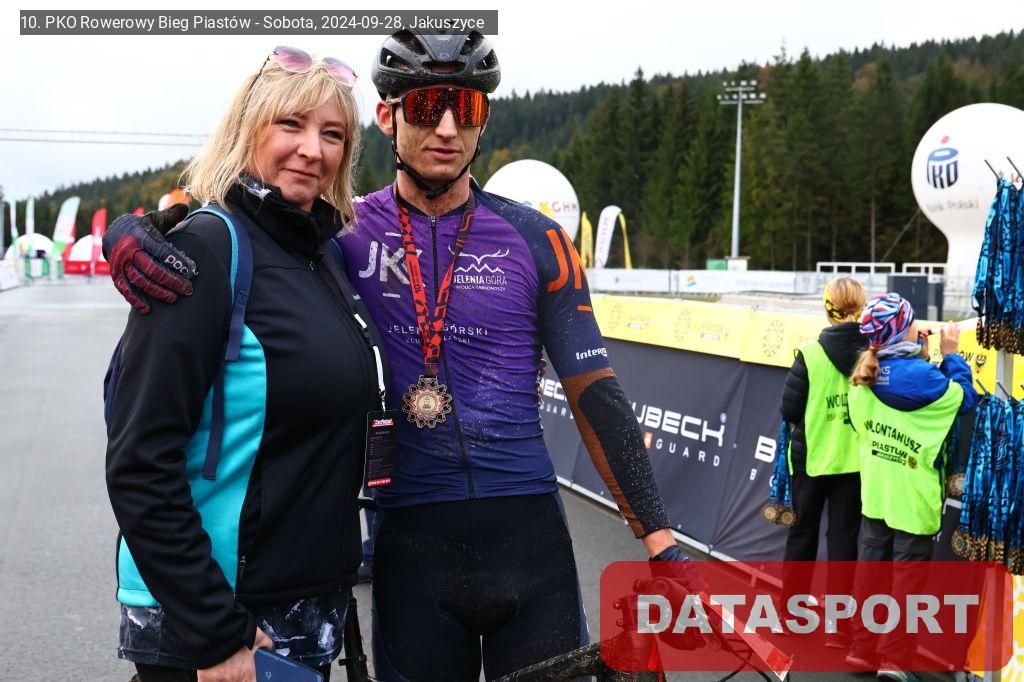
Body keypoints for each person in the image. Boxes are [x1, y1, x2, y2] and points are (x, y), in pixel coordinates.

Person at [103, 30, 689, 681]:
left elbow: (594, 390)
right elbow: (247, 220)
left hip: (528, 538)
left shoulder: (538, 240)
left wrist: (660, 539)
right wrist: (145, 231)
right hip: (410, 551)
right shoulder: (339, 237)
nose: (447, 128)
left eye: (466, 108)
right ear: (387, 117)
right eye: (427, 106)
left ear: (485, 119)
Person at [105, 46, 381, 682]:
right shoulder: (206, 248)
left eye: (332, 134)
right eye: (291, 124)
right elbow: (139, 461)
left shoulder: (324, 255)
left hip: (302, 612)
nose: (311, 149)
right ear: (247, 127)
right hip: (220, 622)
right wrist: (215, 634)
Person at [843, 293, 977, 682]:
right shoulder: (925, 378)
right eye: (913, 321)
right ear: (904, 330)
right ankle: (895, 662)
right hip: (914, 498)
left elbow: (874, 412)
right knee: (906, 583)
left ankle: (862, 650)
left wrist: (918, 357)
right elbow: (964, 399)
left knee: (870, 572)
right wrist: (950, 355)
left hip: (877, 493)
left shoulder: (862, 374)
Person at [778, 277, 867, 647]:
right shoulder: (873, 353)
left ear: (828, 308)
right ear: (860, 307)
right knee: (844, 542)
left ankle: (791, 615)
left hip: (811, 462)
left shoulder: (810, 353)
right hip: (854, 465)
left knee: (802, 536)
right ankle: (838, 627)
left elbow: (789, 410)